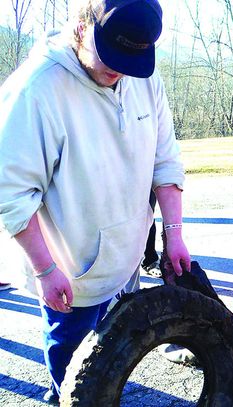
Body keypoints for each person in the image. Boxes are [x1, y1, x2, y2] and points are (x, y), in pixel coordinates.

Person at [0, 0, 191, 404]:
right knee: (74, 374)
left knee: (114, 358)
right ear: (83, 25)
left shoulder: (143, 76)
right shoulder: (37, 89)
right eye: (111, 56)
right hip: (71, 275)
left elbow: (166, 160)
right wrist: (46, 269)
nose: (119, 69)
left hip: (127, 260)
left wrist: (173, 235)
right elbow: (11, 192)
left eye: (131, 59)